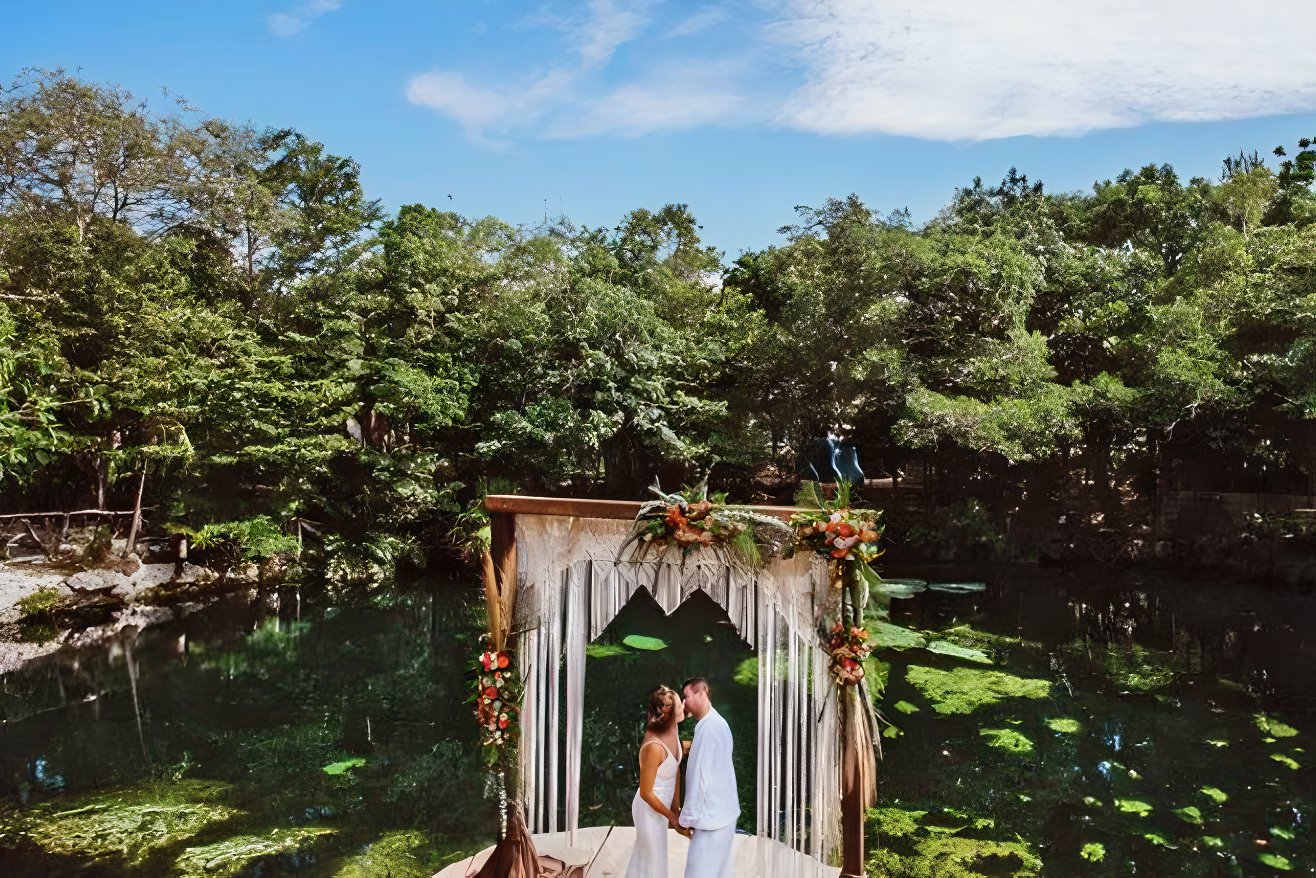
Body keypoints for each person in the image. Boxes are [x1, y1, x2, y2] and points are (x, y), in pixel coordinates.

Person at [678, 677, 739, 878]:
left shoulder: (708, 728)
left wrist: (686, 819)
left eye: (686, 696)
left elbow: (698, 778)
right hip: (725, 813)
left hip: (711, 818)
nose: (684, 702)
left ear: (700, 692)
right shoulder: (717, 722)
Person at [625, 684, 688, 878]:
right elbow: (646, 793)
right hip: (648, 809)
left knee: (650, 860)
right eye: (677, 705)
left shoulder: (673, 730)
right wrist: (672, 816)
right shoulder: (653, 746)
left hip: (663, 808)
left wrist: (676, 809)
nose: (682, 707)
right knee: (653, 860)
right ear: (663, 710)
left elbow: (674, 770)